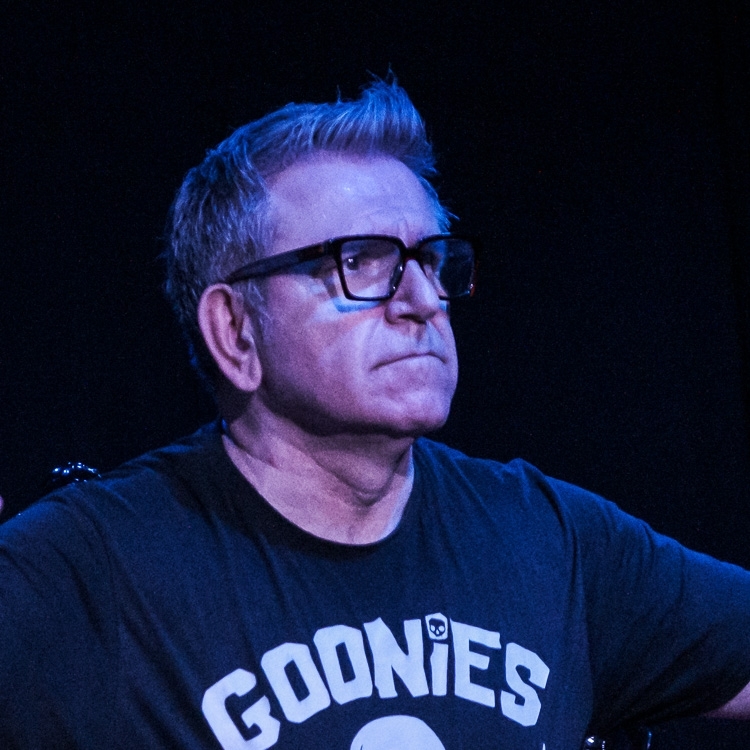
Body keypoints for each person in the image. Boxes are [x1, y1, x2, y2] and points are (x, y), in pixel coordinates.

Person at [1, 79, 749, 750]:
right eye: (359, 261)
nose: (422, 300)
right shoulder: (92, 572)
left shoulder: (551, 544)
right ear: (235, 330)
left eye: (431, 260)